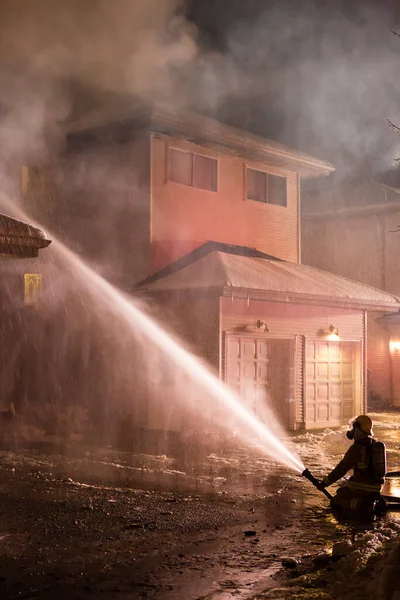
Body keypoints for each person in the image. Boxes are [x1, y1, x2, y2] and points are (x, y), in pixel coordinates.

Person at [318, 415, 386, 514]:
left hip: (362, 488)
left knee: (336, 500)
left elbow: (341, 469)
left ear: (359, 430)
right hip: (376, 488)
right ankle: (369, 501)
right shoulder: (374, 444)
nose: (352, 431)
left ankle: (361, 505)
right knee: (343, 490)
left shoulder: (357, 449)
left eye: (354, 428)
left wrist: (324, 483)